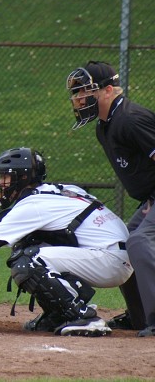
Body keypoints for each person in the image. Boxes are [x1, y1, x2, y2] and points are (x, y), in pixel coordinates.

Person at [0, 147, 133, 336]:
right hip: (121, 257)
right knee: (31, 245)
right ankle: (59, 314)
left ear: (22, 177)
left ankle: (83, 316)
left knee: (27, 259)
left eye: (6, 176)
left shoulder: (33, 205)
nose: (1, 183)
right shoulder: (62, 189)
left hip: (109, 261)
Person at [67, 60, 155, 337]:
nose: (79, 98)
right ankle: (140, 317)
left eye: (85, 91)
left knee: (140, 241)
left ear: (108, 90)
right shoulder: (105, 126)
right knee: (123, 242)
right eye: (77, 93)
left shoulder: (130, 119)